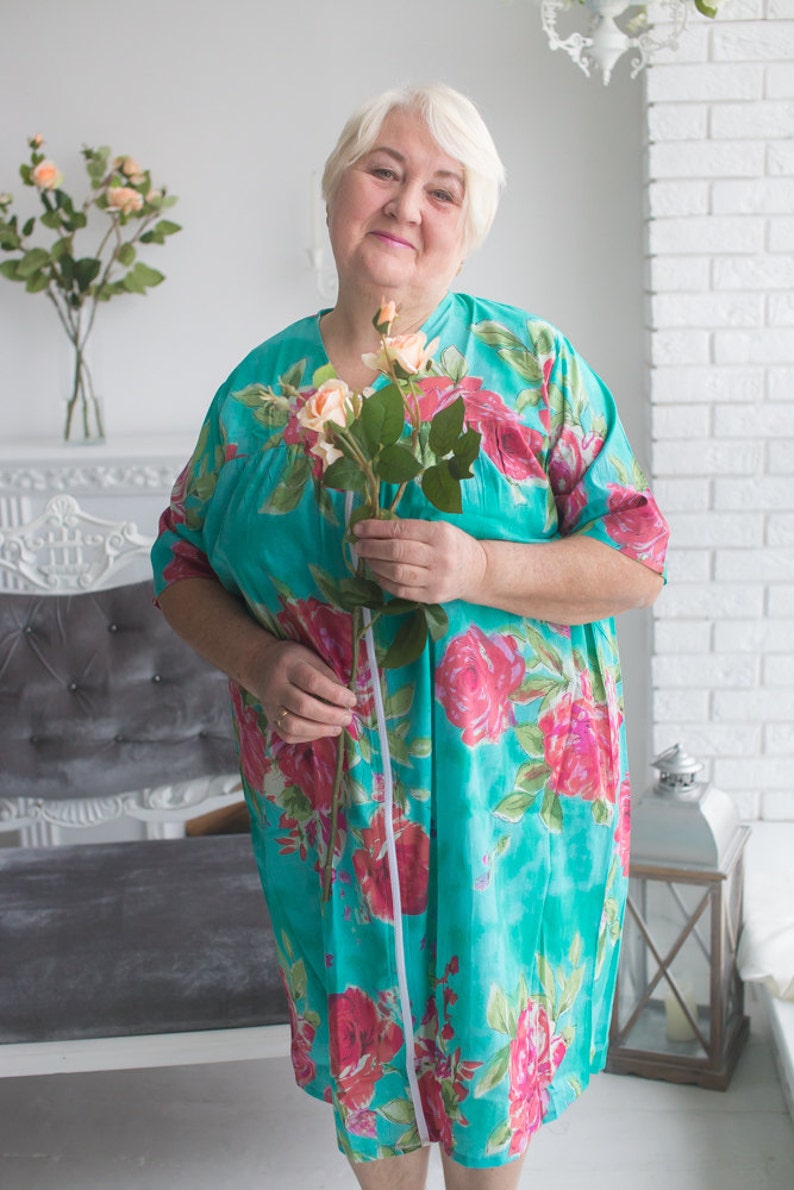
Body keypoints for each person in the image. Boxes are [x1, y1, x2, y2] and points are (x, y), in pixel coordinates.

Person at [152, 83, 669, 1190]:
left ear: (468, 223)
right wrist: (254, 657)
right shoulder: (256, 398)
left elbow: (634, 555)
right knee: (373, 1113)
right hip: (333, 826)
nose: (406, 202)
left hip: (508, 825)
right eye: (383, 169)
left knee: (487, 1116)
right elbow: (180, 563)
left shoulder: (532, 368)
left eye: (445, 188)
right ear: (337, 189)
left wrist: (482, 566)